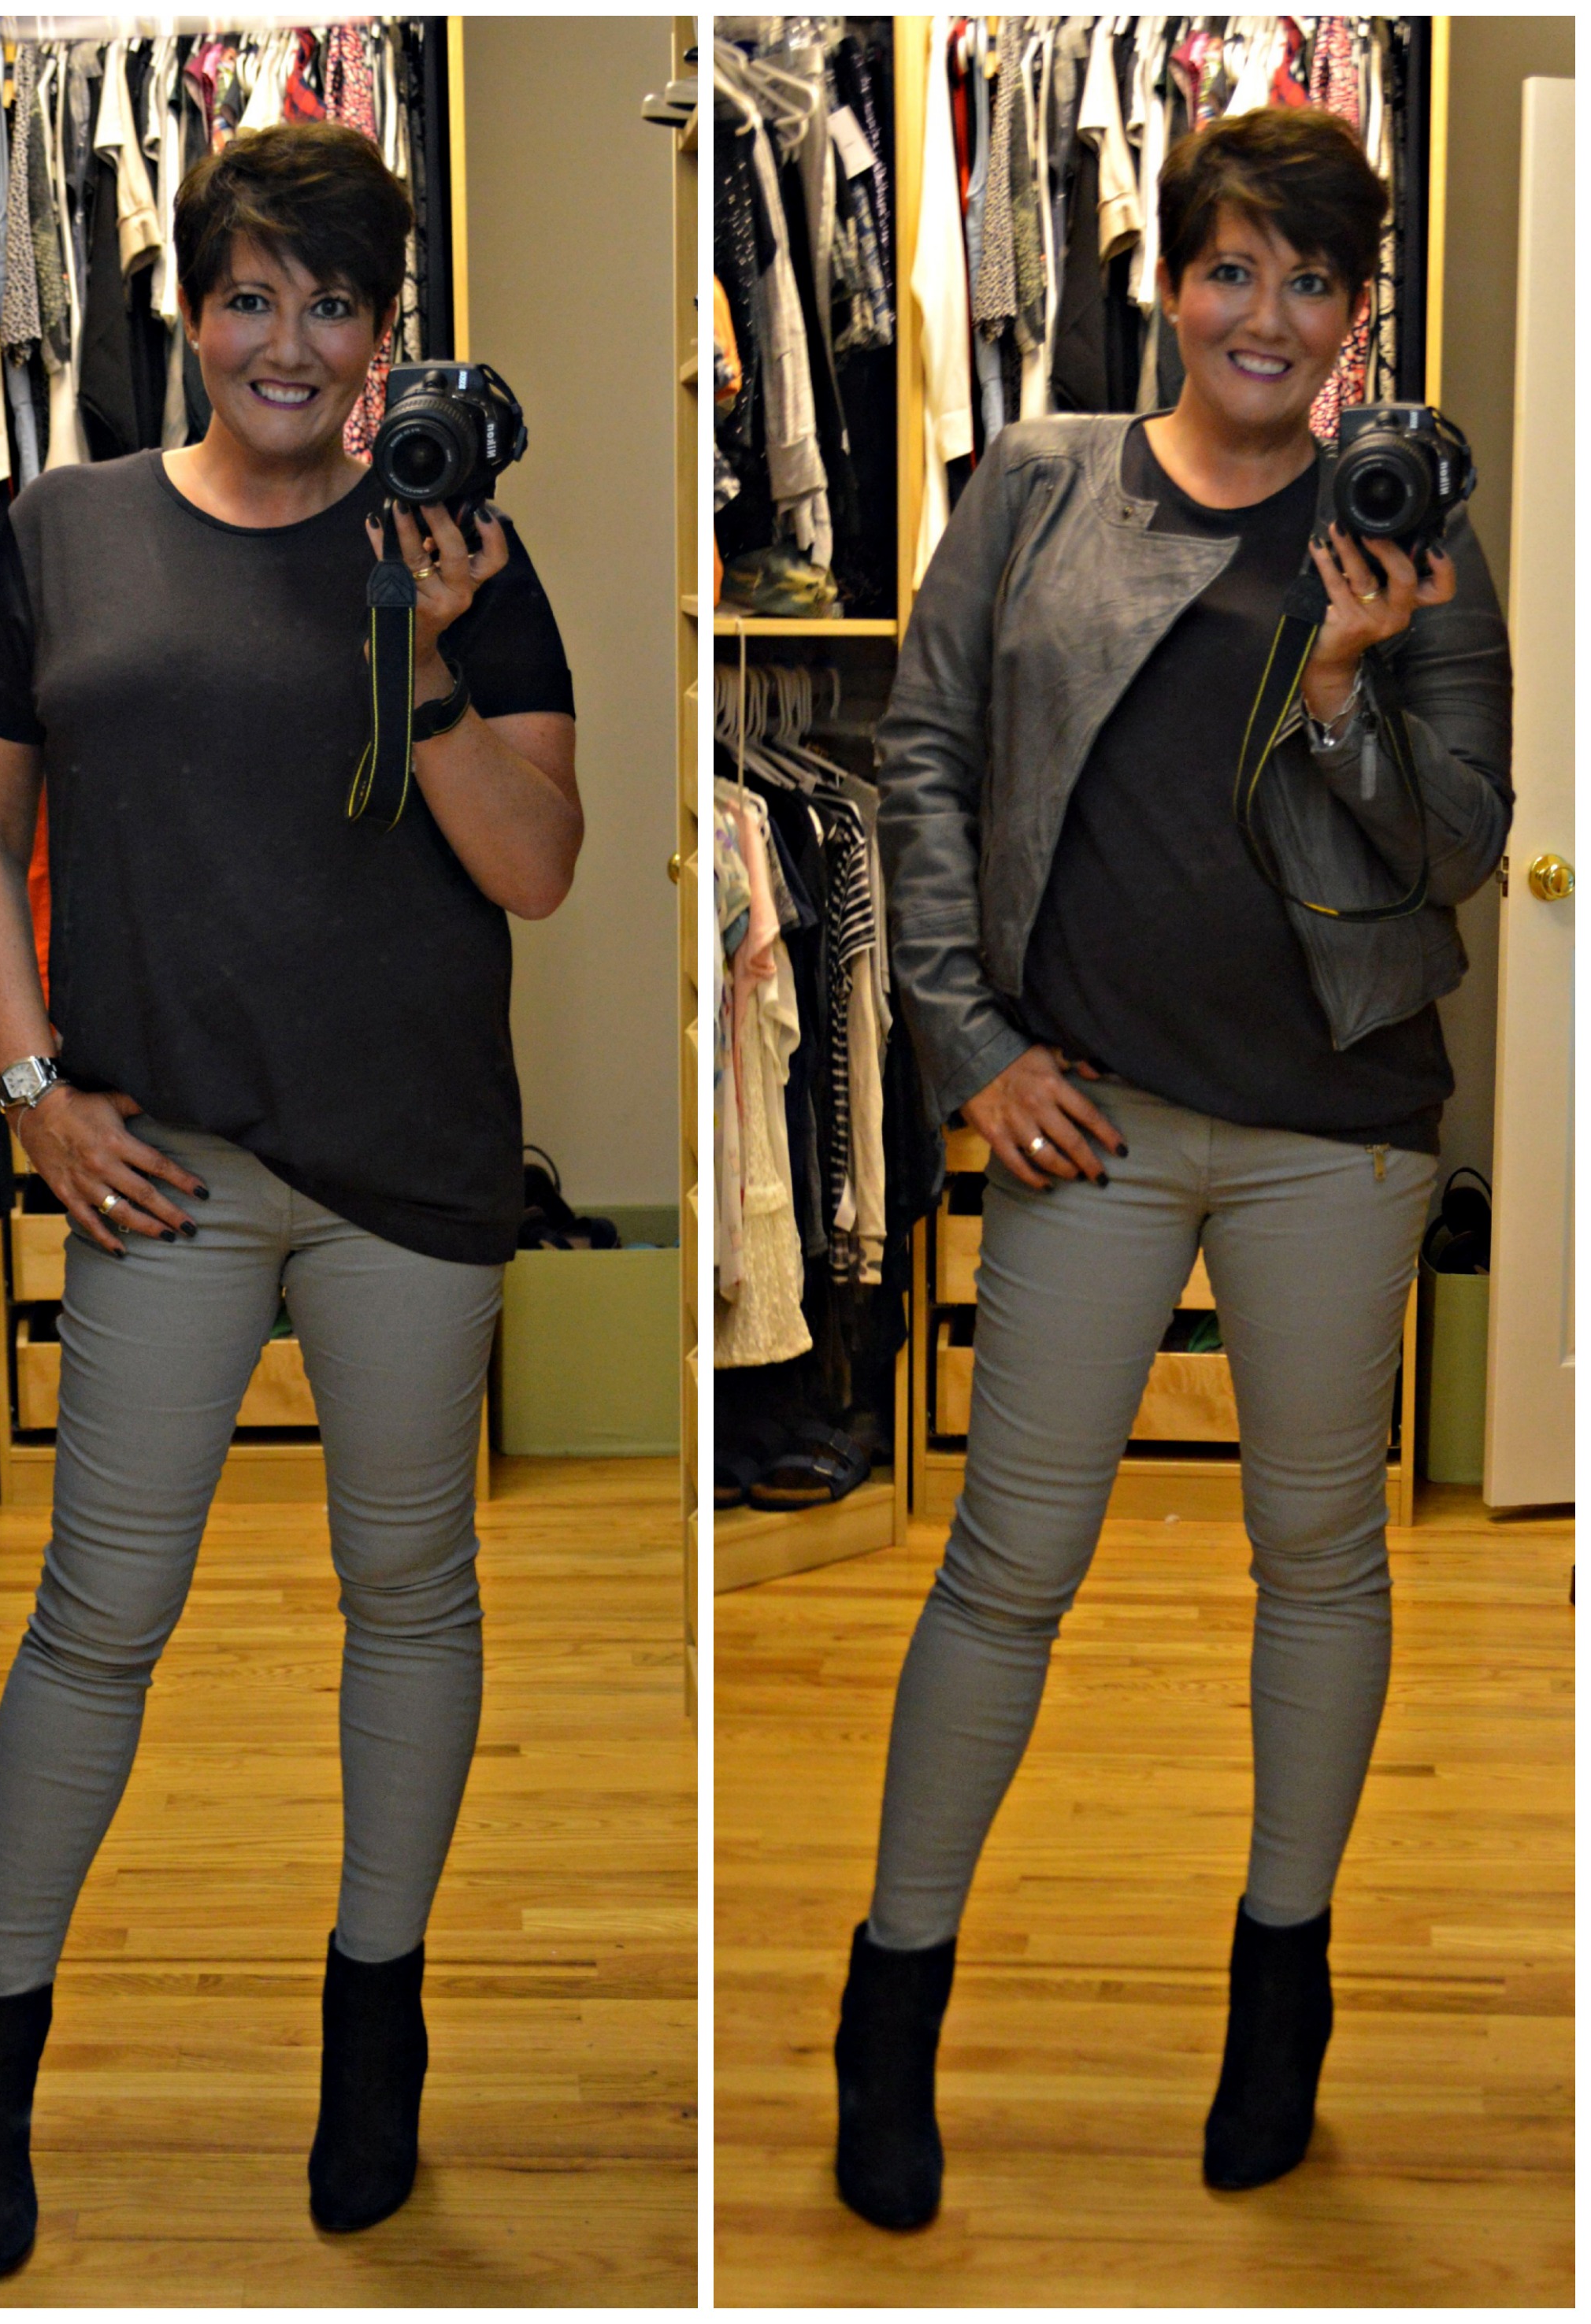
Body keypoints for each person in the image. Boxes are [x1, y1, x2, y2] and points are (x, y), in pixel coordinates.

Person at [835, 107, 1511, 2230]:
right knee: (1005, 1568)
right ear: (1169, 279)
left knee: (1319, 1556)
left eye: (1310, 281)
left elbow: (1463, 841)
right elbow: (922, 759)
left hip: (1338, 1131)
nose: (1265, 315)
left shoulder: (1413, 524)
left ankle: (1281, 2000)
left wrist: (1343, 685)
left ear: (1355, 313)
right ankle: (892, 2013)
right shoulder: (1038, 483)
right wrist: (970, 1043)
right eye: (1232, 269)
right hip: (1091, 1118)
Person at [0, 120, 582, 2277]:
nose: (285, 344)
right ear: (189, 311)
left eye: (332, 306)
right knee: (98, 1618)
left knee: (412, 1597)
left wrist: (431, 647)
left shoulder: (462, 548)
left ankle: (375, 2039)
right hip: (165, 1162)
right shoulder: (63, 532)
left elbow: (537, 869)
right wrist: (30, 1089)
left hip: (409, 1164)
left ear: (386, 336)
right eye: (247, 299)